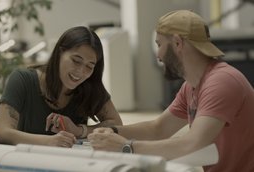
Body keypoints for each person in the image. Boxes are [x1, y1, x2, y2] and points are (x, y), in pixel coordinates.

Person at [88, 10, 254, 172]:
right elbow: (158, 129)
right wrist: (108, 132)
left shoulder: (221, 82)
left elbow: (192, 143)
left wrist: (125, 146)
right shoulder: (191, 87)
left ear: (177, 43)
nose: (158, 55)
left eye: (159, 44)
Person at [0, 26, 123, 147]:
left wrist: (79, 131)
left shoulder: (89, 86)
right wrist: (48, 142)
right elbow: (3, 133)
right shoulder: (22, 80)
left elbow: (117, 124)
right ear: (60, 52)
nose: (81, 71)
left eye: (89, 66)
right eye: (76, 61)